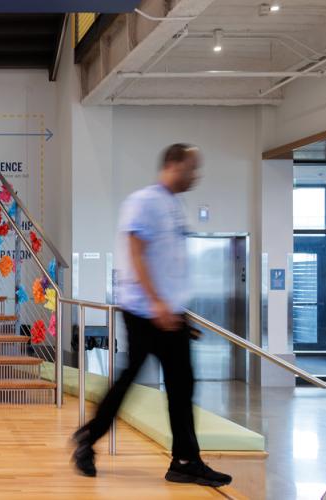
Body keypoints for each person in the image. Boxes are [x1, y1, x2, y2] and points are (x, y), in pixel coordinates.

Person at [71, 144, 232, 487]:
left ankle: (184, 460)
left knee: (180, 383)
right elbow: (136, 251)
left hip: (167, 313)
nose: (195, 175)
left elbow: (168, 263)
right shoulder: (145, 201)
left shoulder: (174, 205)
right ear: (173, 165)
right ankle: (90, 438)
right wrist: (158, 303)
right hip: (147, 312)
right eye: (191, 168)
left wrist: (176, 309)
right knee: (138, 380)